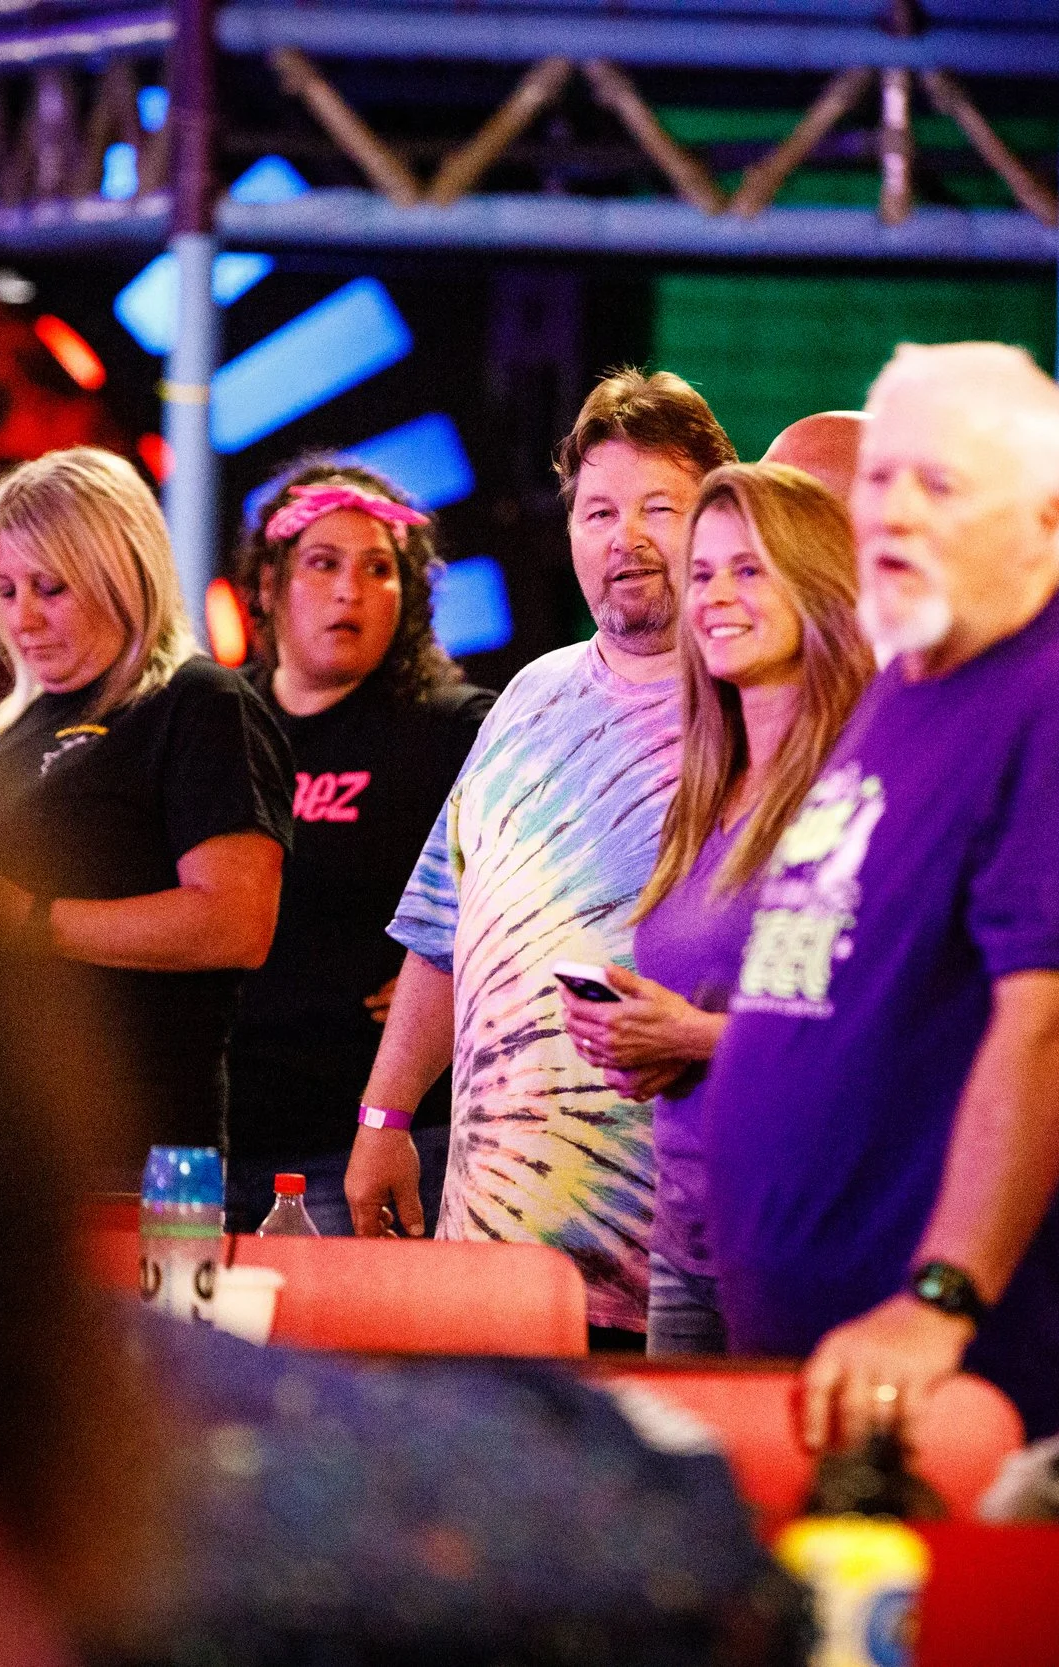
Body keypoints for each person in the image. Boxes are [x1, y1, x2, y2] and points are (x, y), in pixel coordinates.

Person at [702, 342, 1059, 1445]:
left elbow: (1052, 1023)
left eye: (941, 484)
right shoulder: (905, 692)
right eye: (882, 479)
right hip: (831, 1357)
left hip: (976, 1373)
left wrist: (941, 1295)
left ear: (1043, 521)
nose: (892, 513)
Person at [345, 368, 737, 1346]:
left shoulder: (753, 709)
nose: (624, 537)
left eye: (658, 507)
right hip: (488, 1258)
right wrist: (384, 1117)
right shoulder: (526, 696)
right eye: (598, 511)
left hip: (675, 1273)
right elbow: (444, 930)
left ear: (722, 522)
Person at [559, 462, 875, 1354]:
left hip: (812, 1245)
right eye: (702, 572)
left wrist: (691, 1036)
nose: (715, 596)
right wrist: (645, 1044)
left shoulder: (860, 788)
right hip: (688, 1238)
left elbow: (878, 1040)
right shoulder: (705, 788)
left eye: (749, 570)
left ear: (820, 586)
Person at [0, 447, 294, 1168]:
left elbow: (237, 923)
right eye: (5, 590)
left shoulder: (198, 703)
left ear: (122, 575)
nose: (23, 618)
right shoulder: (4, 729)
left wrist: (33, 920)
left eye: (50, 587)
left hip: (134, 1146)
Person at [222, 457, 495, 1237]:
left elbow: (532, 909)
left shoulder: (456, 729)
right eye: (323, 563)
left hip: (376, 1142)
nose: (351, 590)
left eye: (379, 568)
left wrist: (456, 969)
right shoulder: (213, 724)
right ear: (267, 585)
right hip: (218, 1137)